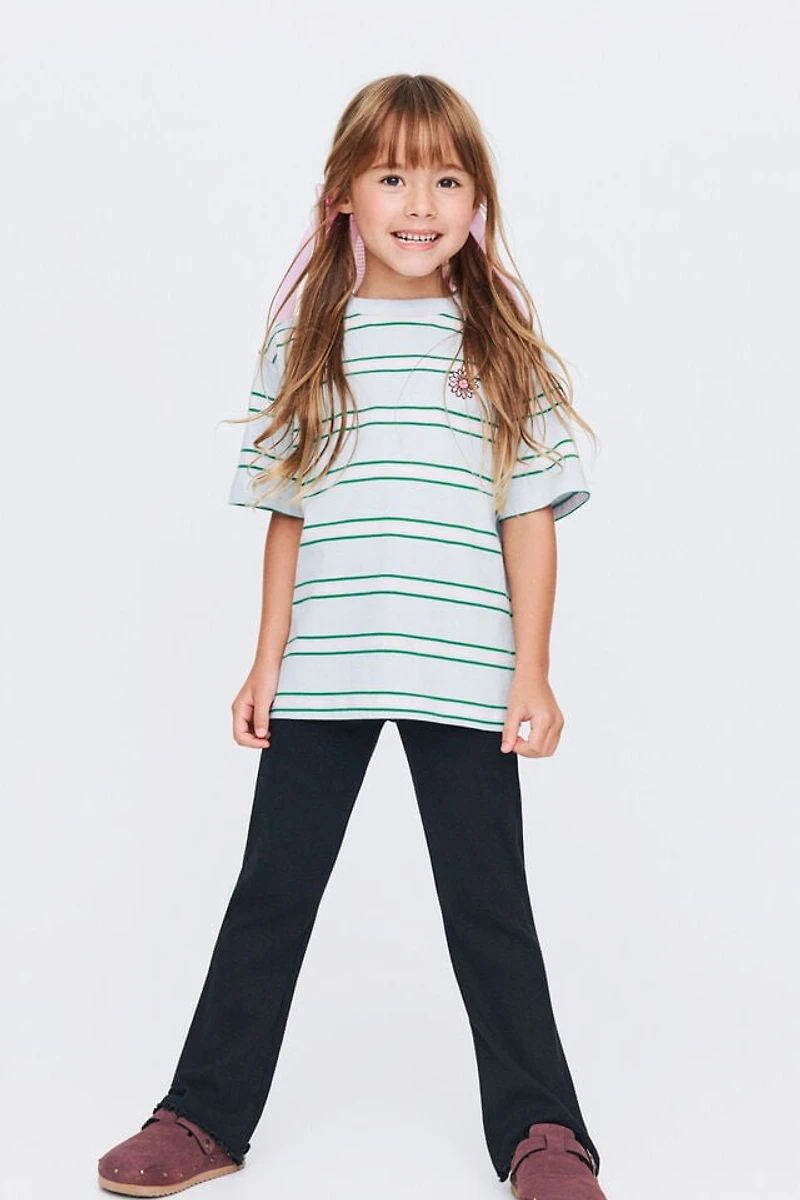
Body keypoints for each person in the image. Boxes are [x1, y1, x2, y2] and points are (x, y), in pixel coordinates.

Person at [97, 73, 607, 1200]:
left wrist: (532, 671)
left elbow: (527, 516)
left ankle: (541, 1130)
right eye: (391, 177)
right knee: (271, 894)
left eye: (445, 179)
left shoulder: (500, 345)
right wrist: (265, 659)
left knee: (488, 907)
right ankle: (204, 1114)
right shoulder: (305, 341)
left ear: (476, 201)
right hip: (324, 668)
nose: (419, 203)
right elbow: (286, 512)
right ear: (342, 197)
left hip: (463, 671)